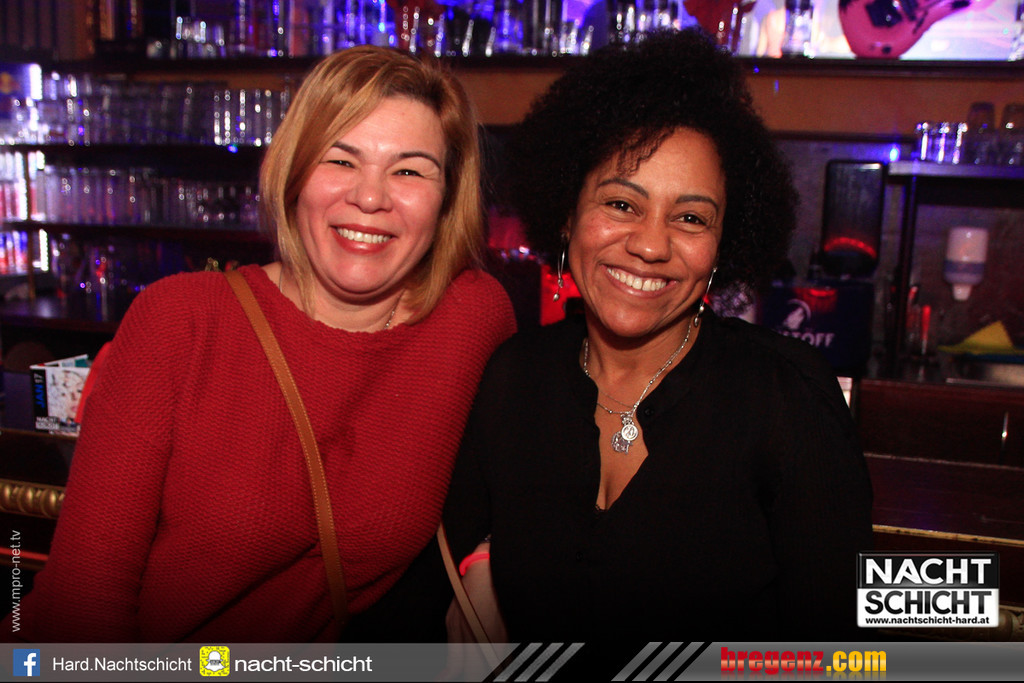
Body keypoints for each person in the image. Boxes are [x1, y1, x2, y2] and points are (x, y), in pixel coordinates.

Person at [8, 46, 516, 643]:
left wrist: (488, 561)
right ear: (293, 174)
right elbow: (84, 602)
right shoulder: (180, 323)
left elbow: (533, 471)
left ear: (447, 197)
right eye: (340, 160)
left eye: (409, 171)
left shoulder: (471, 316)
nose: (370, 197)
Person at [442, 28, 873, 649]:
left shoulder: (787, 397)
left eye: (690, 218)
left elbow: (846, 651)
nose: (650, 245)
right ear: (567, 214)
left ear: (723, 245)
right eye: (622, 204)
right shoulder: (514, 378)